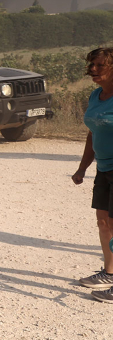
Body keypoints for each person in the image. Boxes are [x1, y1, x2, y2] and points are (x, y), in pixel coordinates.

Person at [71, 46, 113, 303]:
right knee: (103, 223)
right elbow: (92, 134)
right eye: (91, 65)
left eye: (99, 65)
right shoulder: (96, 95)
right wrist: (82, 168)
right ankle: (109, 272)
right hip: (104, 168)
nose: (92, 70)